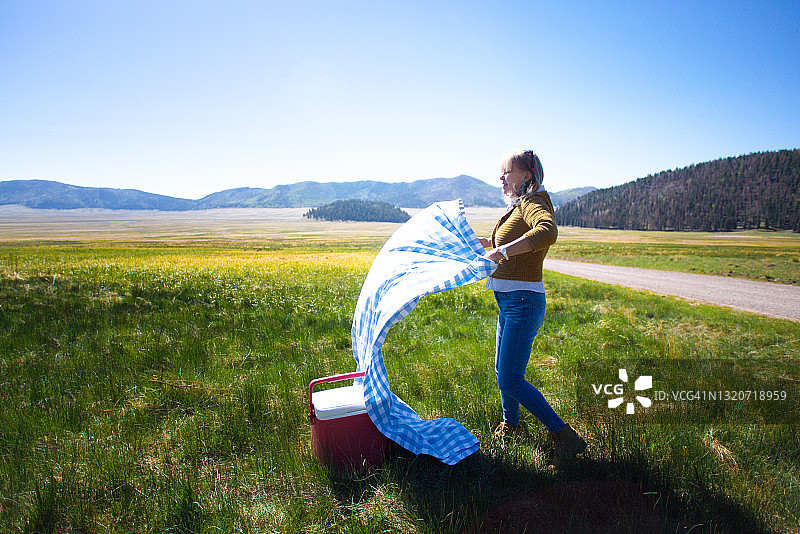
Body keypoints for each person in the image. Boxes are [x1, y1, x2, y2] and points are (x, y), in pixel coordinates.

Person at [481, 149, 587, 465]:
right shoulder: (520, 205)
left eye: (507, 172)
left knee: (510, 378)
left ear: (526, 175)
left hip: (523, 302)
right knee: (504, 372)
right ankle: (509, 425)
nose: (501, 178)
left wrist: (501, 253)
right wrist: (486, 246)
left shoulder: (535, 201)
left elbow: (546, 232)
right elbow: (507, 245)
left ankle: (565, 438)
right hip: (510, 300)